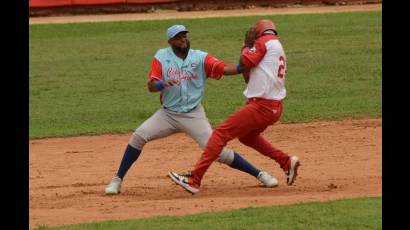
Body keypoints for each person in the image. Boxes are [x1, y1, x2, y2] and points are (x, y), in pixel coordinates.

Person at [105, 24, 279, 195]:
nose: (183, 39)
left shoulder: (200, 58)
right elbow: (151, 86)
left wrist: (245, 61)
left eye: (184, 35)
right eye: (178, 37)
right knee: (139, 136)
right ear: (170, 41)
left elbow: (226, 69)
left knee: (217, 151)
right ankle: (117, 180)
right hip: (168, 114)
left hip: (193, 114)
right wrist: (162, 83)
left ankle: (261, 174)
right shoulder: (161, 57)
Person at [168, 19, 301, 194]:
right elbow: (247, 74)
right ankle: (285, 161)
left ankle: (195, 179)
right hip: (273, 107)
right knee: (247, 137)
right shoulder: (276, 46)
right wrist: (247, 49)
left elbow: (245, 60)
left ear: (260, 32)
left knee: (220, 134)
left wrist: (246, 45)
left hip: (262, 106)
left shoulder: (264, 42)